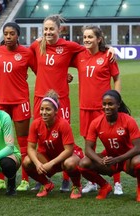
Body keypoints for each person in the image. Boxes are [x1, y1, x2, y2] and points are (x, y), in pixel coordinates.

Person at [29, 14, 114, 192]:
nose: (48, 32)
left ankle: (68, 177)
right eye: (45, 29)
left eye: (52, 28)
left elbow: (90, 50)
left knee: (63, 137)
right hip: (40, 98)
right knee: (41, 136)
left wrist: (109, 49)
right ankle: (42, 177)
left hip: (61, 99)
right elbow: (23, 57)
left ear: (60, 30)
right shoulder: (37, 45)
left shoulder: (68, 47)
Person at [71, 25, 123, 195]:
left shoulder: (107, 56)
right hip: (85, 108)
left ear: (99, 39)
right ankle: (92, 181)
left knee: (113, 144)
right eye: (84, 37)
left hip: (104, 109)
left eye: (90, 37)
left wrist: (117, 99)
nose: (86, 40)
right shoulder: (79, 56)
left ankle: (117, 183)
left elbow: (116, 78)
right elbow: (60, 61)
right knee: (89, 146)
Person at [0, 22, 36, 191]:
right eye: (6, 34)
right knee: (0, 142)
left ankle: (25, 179)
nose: (8, 37)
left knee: (23, 142)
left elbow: (41, 70)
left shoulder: (27, 52)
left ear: (18, 35)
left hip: (21, 101)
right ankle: (1, 179)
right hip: (1, 103)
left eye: (12, 34)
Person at [79, 90, 140, 201]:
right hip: (111, 160)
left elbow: (138, 147)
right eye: (104, 104)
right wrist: (100, 160)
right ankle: (105, 186)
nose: (107, 107)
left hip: (127, 159)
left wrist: (117, 159)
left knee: (138, 161)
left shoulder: (128, 120)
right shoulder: (96, 123)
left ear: (118, 104)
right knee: (83, 163)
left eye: (110, 104)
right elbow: (88, 149)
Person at [23, 90, 83, 199]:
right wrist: (37, 163)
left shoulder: (63, 124)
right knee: (27, 162)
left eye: (48, 109)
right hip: (48, 157)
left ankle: (77, 186)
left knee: (69, 164)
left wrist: (51, 163)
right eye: (42, 109)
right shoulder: (36, 124)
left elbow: (68, 150)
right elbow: (30, 148)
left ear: (56, 111)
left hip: (66, 157)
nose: (44, 112)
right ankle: (46, 184)